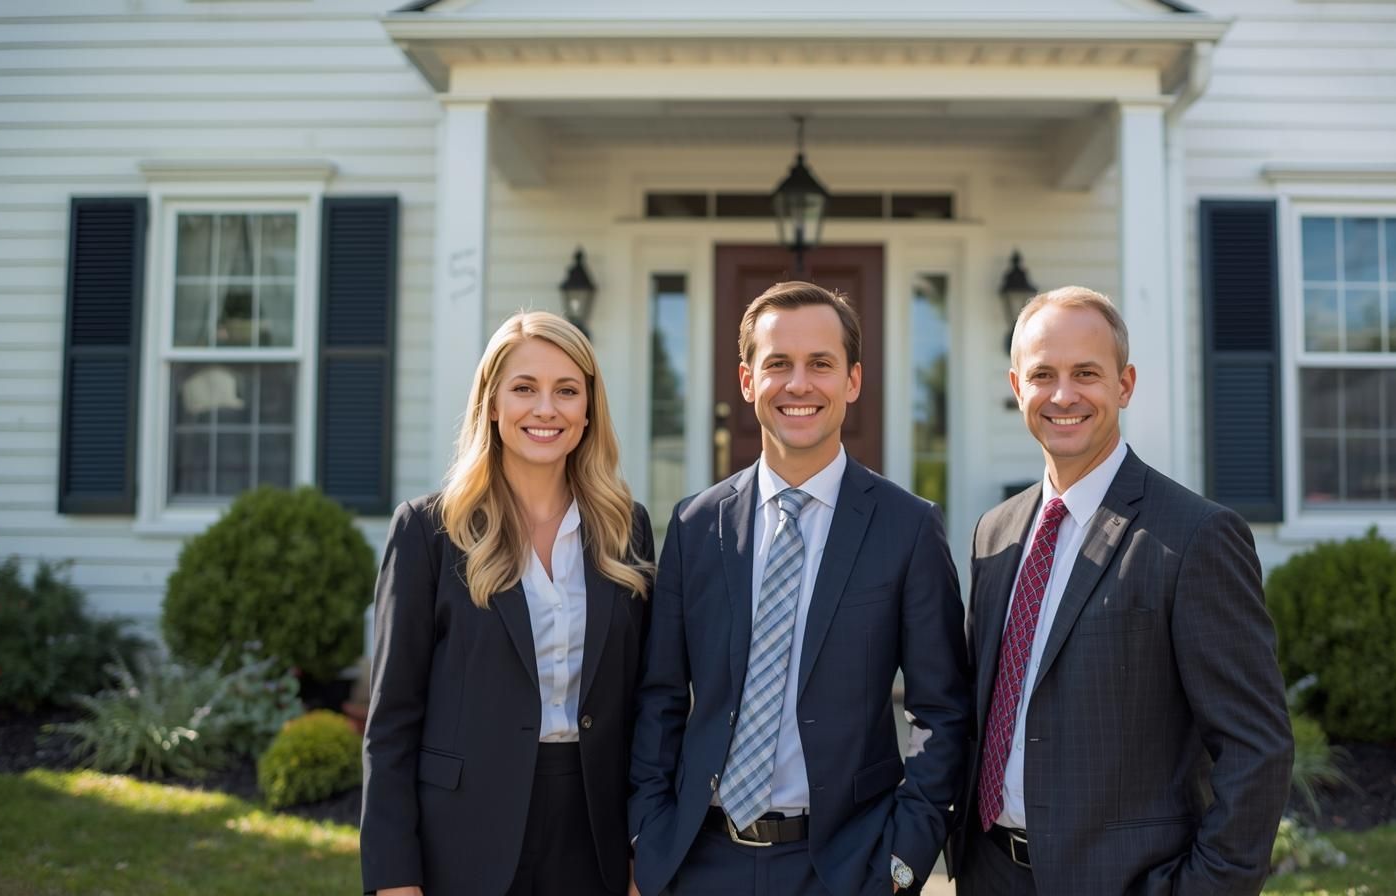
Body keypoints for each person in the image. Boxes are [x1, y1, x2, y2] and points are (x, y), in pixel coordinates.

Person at [629, 281, 970, 896]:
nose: (798, 384)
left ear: (853, 381)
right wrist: (647, 839)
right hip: (699, 861)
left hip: (846, 865)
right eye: (777, 364)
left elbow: (942, 712)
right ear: (745, 381)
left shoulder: (909, 527)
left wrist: (902, 861)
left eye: (821, 364)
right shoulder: (693, 526)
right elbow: (659, 700)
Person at [951, 287, 1292, 896]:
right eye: (1043, 375)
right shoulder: (994, 534)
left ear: (1125, 384)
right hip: (991, 874)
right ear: (1016, 386)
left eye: (1087, 373)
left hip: (1124, 881)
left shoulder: (1195, 538)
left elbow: (1255, 748)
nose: (1064, 395)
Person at [361, 311, 654, 896]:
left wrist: (645, 852)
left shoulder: (627, 530)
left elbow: (649, 708)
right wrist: (394, 878)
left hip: (596, 832)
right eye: (524, 389)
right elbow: (391, 722)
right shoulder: (428, 532)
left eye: (567, 391)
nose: (546, 409)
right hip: (463, 836)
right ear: (492, 405)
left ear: (588, 409)